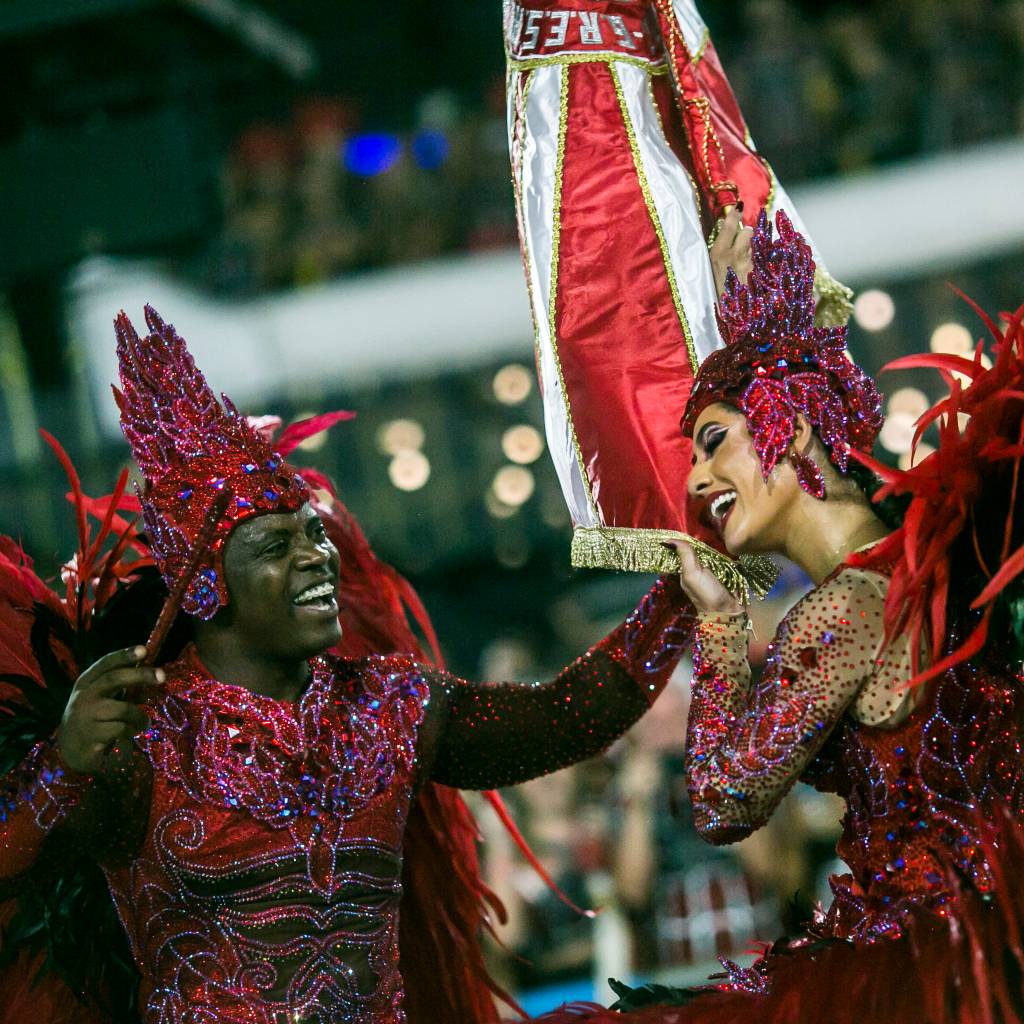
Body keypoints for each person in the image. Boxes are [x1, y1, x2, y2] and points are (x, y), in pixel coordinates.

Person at [0, 306, 697, 1024]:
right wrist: (61, 764)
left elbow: (566, 717)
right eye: (275, 546)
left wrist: (682, 587)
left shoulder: (389, 706)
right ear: (206, 584)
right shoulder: (142, 739)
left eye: (313, 532)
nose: (316, 555)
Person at [533, 210, 1024, 1023]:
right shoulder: (917, 565)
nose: (696, 482)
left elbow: (725, 799)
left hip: (927, 973)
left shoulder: (845, 606)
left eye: (714, 440)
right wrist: (752, 303)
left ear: (787, 428)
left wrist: (719, 624)